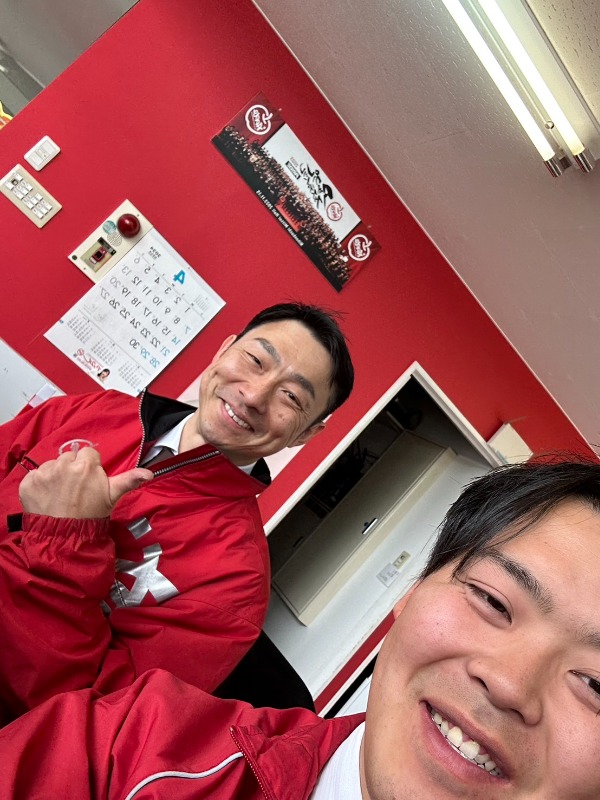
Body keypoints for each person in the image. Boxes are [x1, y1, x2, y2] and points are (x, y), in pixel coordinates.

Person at [1, 458, 600, 798]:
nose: (509, 684)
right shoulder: (132, 747)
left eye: (597, 683)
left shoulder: (239, 572)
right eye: (493, 601)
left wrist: (60, 548)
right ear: (410, 595)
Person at [0, 302, 354, 723]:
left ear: (306, 433)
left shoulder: (236, 584)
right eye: (255, 360)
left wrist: (66, 542)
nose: (254, 395)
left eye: (291, 397)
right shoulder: (100, 410)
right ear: (223, 350)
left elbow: (96, 720)